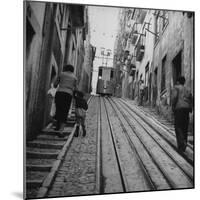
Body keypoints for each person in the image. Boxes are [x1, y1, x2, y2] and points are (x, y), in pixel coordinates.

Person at [172, 76, 193, 153]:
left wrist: (173, 107)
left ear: (178, 81)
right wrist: (190, 108)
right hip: (186, 109)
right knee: (185, 127)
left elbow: (174, 98)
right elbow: (191, 99)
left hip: (179, 108)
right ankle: (184, 144)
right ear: (184, 82)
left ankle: (181, 144)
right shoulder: (188, 89)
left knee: (178, 126)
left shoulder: (176, 87)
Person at [54, 64, 77, 133]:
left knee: (58, 109)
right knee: (65, 111)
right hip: (68, 94)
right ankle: (61, 130)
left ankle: (57, 126)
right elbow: (75, 88)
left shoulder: (61, 74)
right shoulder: (74, 77)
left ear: (65, 68)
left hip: (59, 93)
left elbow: (55, 84)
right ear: (72, 70)